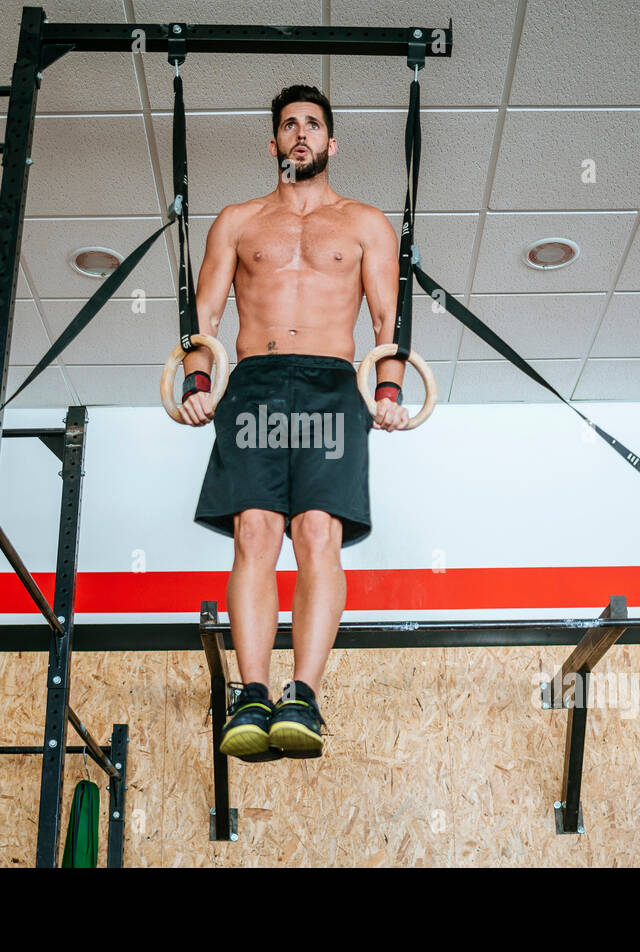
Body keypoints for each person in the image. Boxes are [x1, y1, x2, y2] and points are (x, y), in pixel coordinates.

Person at [177, 84, 409, 762]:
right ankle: (253, 691)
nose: (300, 133)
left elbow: (389, 323)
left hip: (333, 384)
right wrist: (197, 384)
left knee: (316, 532)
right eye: (288, 125)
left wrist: (389, 389)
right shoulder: (238, 222)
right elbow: (204, 321)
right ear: (273, 143)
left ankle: (302, 693)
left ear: (331, 143)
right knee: (255, 531)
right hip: (253, 383)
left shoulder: (366, 225)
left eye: (313, 124)